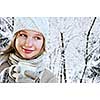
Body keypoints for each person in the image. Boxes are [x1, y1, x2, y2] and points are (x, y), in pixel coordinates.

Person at [0, 17, 58, 83]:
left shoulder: (49, 79)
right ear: (15, 38)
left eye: (37, 38)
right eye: (23, 35)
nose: (28, 44)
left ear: (43, 43)